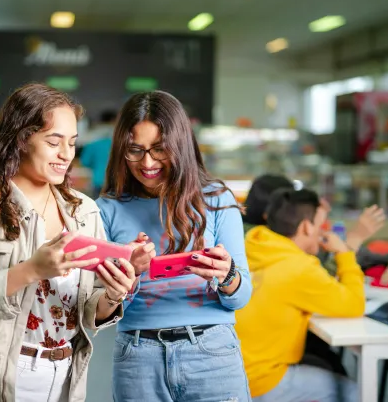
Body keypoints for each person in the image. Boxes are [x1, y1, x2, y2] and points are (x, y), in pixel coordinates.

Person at [0, 84, 136, 402]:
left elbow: (87, 311)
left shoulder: (83, 210)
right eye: (54, 141)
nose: (66, 154)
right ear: (22, 139)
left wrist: (113, 294)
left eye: (72, 143)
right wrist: (31, 270)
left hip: (65, 377)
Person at [96, 90, 253, 402]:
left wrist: (228, 273)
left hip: (212, 353)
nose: (148, 162)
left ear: (179, 146)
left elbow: (241, 296)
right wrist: (131, 273)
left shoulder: (217, 200)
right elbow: (101, 312)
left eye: (159, 149)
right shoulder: (106, 209)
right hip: (138, 357)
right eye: (135, 150)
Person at [235, 188, 364, 402]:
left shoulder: (251, 247)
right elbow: (354, 304)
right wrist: (344, 253)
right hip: (261, 380)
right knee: (353, 392)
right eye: (321, 225)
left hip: (233, 372)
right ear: (306, 226)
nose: (324, 232)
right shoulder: (299, 267)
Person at [80, 110, 116, 198]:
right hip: (117, 182)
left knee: (98, 209)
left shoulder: (92, 138)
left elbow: (85, 161)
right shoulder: (119, 137)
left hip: (98, 181)